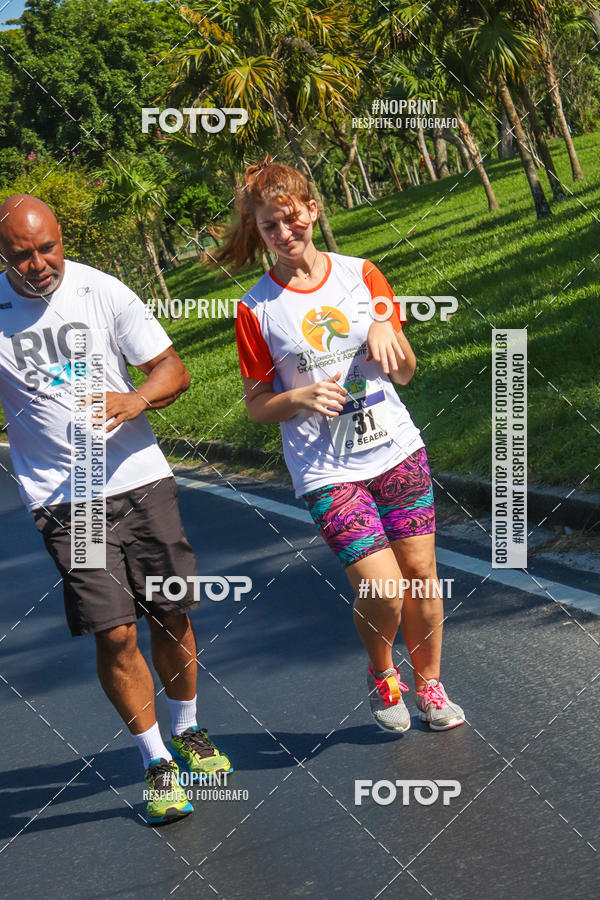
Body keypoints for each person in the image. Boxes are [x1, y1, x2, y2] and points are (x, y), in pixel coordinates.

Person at [0, 194, 231, 824]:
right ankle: (155, 760)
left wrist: (135, 401)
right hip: (64, 499)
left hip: (140, 480)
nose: (39, 264)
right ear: (3, 255)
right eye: (22, 255)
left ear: (61, 236)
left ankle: (187, 727)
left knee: (169, 614)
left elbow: (172, 371)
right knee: (115, 630)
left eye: (48, 247)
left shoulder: (104, 292)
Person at [218, 158, 464, 734]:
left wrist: (387, 331)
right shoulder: (256, 309)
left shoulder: (362, 275)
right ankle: (383, 673)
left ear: (313, 209)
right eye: (270, 227)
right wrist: (299, 399)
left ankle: (429, 685)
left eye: (292, 218)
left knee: (421, 573)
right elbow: (257, 406)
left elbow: (405, 374)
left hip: (396, 450)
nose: (285, 234)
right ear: (258, 232)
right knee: (383, 587)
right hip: (327, 470)